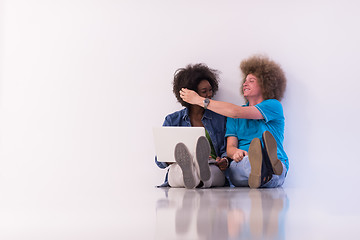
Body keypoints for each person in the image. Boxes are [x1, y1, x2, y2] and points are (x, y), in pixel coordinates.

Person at [180, 55, 288, 188]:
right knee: (239, 167)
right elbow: (230, 147)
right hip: (242, 162)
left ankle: (267, 167)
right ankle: (262, 169)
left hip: (275, 161)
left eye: (251, 80)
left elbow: (236, 112)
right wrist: (235, 152)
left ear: (266, 84)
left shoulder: (273, 105)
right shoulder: (232, 116)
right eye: (245, 80)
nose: (245, 83)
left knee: (272, 172)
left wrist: (198, 100)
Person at [155, 63, 228, 189]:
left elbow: (226, 151)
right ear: (190, 94)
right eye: (204, 92)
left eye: (210, 90)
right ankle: (192, 169)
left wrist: (224, 161)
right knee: (180, 171)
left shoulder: (220, 119)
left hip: (212, 165)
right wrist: (173, 158)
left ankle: (199, 168)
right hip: (179, 165)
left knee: (208, 173)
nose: (209, 95)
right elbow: (159, 161)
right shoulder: (173, 120)